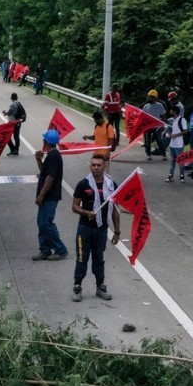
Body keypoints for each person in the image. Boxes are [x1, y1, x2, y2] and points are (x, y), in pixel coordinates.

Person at [71, 156, 122, 302]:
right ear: (90, 167)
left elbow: (115, 210)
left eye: (99, 165)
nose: (96, 167)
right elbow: (74, 206)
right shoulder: (83, 184)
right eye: (93, 165)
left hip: (102, 229)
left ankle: (100, 286)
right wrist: (86, 213)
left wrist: (117, 231)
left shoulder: (112, 185)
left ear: (104, 166)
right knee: (82, 258)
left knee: (99, 259)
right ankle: (77, 286)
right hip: (85, 228)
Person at [33, 129, 69, 261]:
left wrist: (41, 195)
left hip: (50, 196)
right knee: (41, 223)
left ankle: (61, 249)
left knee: (47, 223)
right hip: (47, 196)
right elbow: (44, 172)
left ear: (46, 142)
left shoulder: (54, 156)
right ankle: (45, 250)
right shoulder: (50, 155)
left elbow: (50, 177)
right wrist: (39, 160)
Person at [165, 104, 188, 182]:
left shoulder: (182, 120)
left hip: (179, 144)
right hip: (172, 144)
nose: (170, 111)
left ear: (175, 112)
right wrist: (169, 134)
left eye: (171, 110)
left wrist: (175, 135)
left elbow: (185, 131)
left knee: (180, 160)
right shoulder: (171, 120)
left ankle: (182, 176)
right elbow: (169, 129)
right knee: (172, 161)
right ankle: (170, 175)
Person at [142, 90, 167, 160]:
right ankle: (148, 154)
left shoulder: (160, 105)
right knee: (147, 141)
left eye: (151, 97)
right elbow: (143, 116)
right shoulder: (146, 106)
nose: (149, 98)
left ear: (155, 98)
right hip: (148, 127)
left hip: (157, 127)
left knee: (159, 140)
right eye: (149, 97)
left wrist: (163, 124)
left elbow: (163, 116)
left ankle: (164, 155)